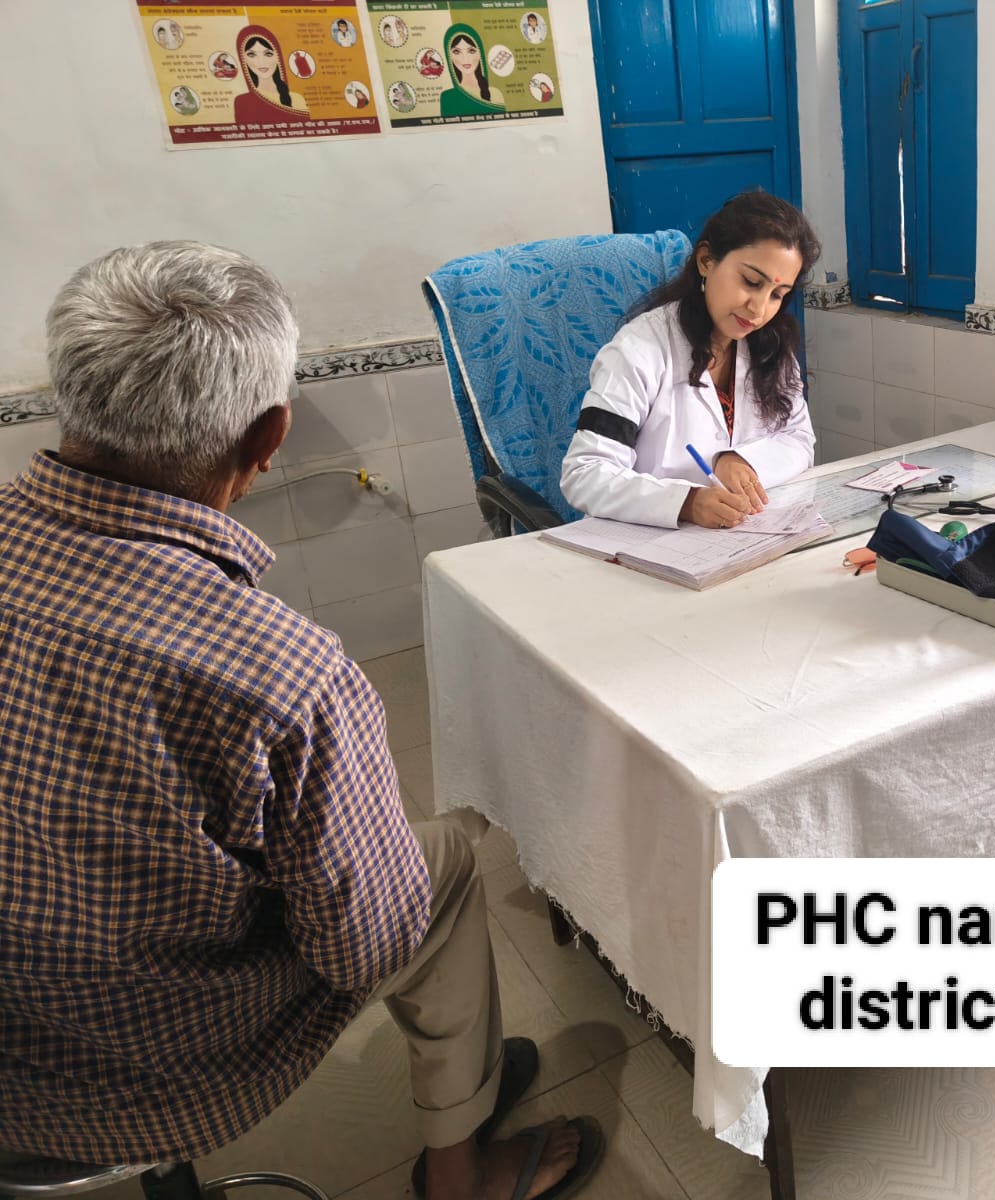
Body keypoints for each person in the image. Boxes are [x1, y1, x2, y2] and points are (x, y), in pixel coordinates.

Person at [0, 242, 604, 1200]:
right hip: (136, 1070)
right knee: (442, 867)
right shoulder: (282, 673)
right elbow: (364, 944)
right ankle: (459, 1165)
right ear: (270, 437)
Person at [561, 191, 819, 529]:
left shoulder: (771, 345)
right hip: (646, 539)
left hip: (739, 535)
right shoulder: (639, 349)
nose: (759, 309)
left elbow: (799, 438)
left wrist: (740, 460)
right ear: (706, 261)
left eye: (777, 295)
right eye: (751, 282)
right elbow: (584, 473)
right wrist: (686, 502)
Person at [233, 25, 310, 124]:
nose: (261, 62)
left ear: (277, 57)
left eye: (268, 54)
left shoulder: (297, 99)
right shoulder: (242, 102)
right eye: (251, 54)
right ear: (244, 60)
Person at [439, 25, 505, 116]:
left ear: (480, 54)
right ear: (449, 57)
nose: (465, 58)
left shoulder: (495, 93)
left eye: (471, 51)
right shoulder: (448, 97)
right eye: (457, 52)